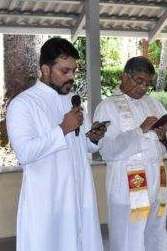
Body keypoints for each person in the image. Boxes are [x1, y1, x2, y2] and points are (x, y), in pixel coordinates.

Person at [6, 37, 107, 251]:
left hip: (80, 197)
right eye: (65, 71)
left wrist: (94, 137)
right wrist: (62, 129)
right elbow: (25, 153)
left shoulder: (73, 101)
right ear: (45, 69)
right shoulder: (22, 105)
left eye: (73, 71)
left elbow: (85, 146)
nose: (71, 77)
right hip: (47, 203)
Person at [93, 56, 167, 251]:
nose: (143, 87)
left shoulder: (155, 104)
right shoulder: (108, 106)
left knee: (155, 231)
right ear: (125, 76)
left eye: (147, 83)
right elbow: (107, 150)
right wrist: (140, 130)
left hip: (156, 176)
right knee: (129, 236)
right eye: (139, 81)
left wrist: (163, 136)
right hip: (127, 182)